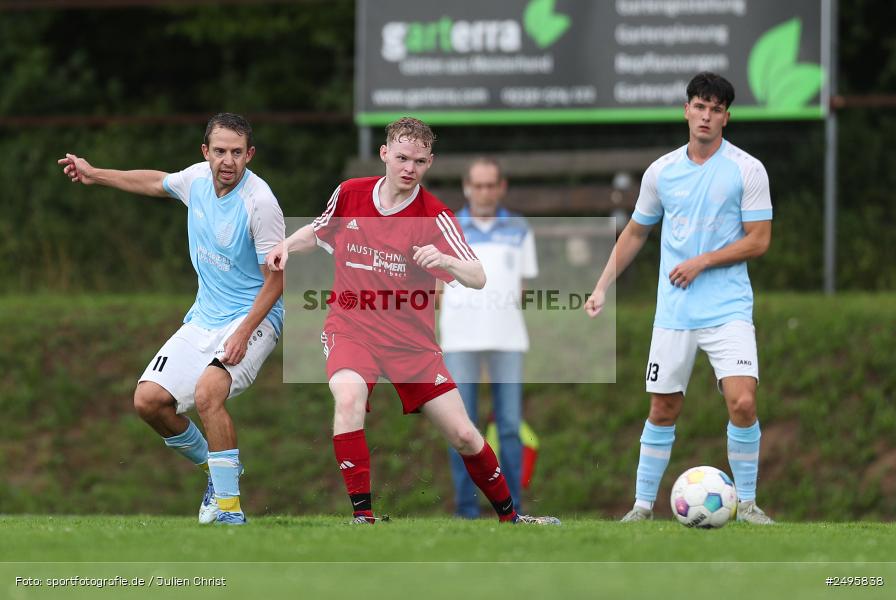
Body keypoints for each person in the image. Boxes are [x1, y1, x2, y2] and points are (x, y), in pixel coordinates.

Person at [266, 117, 558, 525]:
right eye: (402, 157)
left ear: (429, 163)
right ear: (385, 154)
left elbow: (478, 276)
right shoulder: (350, 194)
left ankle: (511, 518)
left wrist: (446, 261)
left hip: (411, 345)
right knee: (349, 399)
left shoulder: (435, 217)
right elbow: (318, 230)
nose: (409, 168)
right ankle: (363, 517)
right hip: (352, 328)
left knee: (463, 434)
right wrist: (286, 246)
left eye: (419, 161)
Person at [57, 113, 285, 526]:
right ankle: (217, 474)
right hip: (203, 317)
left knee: (207, 393)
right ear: (206, 152)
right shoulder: (196, 180)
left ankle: (231, 515)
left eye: (237, 152)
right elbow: (154, 182)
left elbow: (277, 281)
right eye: (220, 151)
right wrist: (95, 174)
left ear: (249, 155)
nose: (228, 161)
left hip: (255, 318)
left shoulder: (261, 203)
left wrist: (243, 333)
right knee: (148, 401)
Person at [584, 72, 775, 525]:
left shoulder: (747, 169)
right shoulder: (662, 172)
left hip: (728, 308)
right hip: (675, 312)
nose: (706, 116)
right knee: (663, 407)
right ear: (686, 110)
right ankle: (642, 507)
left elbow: (760, 240)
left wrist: (703, 261)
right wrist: (601, 285)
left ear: (726, 118)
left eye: (715, 109)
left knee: (743, 402)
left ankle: (746, 504)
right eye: (699, 106)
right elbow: (635, 231)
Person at [438, 157, 538, 518]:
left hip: (508, 340)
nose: (483, 192)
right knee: (460, 429)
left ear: (501, 187)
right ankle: (466, 510)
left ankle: (512, 510)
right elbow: (437, 288)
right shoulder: (448, 229)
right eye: (477, 185)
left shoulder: (520, 229)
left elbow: (523, 288)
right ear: (467, 187)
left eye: (489, 185)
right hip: (459, 341)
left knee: (509, 427)